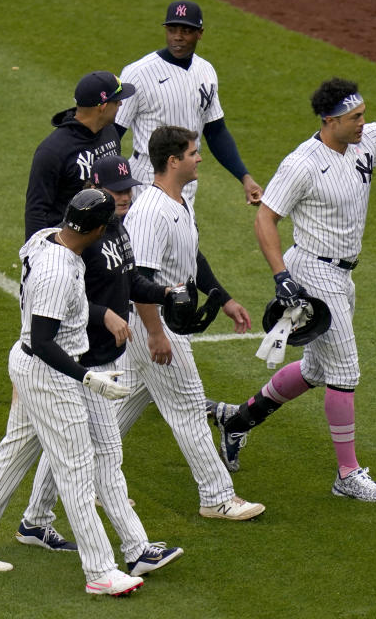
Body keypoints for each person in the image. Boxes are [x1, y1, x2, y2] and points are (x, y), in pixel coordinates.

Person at [210, 64, 376, 502]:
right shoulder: (302, 164)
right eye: (355, 117)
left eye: (363, 114)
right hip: (312, 272)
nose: (363, 122)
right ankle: (347, 475)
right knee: (345, 371)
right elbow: (266, 218)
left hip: (342, 274)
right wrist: (282, 278)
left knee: (316, 370)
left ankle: (238, 420)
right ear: (330, 121)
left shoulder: (364, 141)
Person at [0, 190, 146, 597]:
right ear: (95, 229)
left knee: (14, 454)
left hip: (31, 365)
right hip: (47, 372)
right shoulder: (57, 270)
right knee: (76, 469)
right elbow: (42, 339)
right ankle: (100, 571)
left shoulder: (45, 238)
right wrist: (87, 378)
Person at [16, 155, 184, 576]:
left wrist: (166, 292)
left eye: (129, 189)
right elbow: (61, 301)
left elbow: (128, 282)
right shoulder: (77, 243)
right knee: (97, 456)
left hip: (87, 361)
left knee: (42, 452)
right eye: (117, 190)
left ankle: (31, 522)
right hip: (75, 360)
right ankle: (132, 550)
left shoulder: (114, 230)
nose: (125, 197)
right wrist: (102, 314)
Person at [115, 125, 265, 521]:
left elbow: (192, 258)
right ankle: (217, 496)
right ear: (172, 161)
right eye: (193, 153)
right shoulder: (150, 211)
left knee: (123, 405)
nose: (200, 158)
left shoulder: (178, 202)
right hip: (156, 322)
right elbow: (137, 281)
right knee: (188, 406)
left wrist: (226, 298)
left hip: (159, 323)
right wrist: (155, 334)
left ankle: (87, 474)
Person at [115, 0, 263, 207]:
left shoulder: (206, 71)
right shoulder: (138, 73)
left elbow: (216, 131)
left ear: (199, 33)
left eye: (186, 31)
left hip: (187, 181)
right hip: (148, 179)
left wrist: (245, 177)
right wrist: (108, 180)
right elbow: (113, 132)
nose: (178, 37)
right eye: (172, 29)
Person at [24, 70, 135, 240]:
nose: (120, 104)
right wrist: (34, 257)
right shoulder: (52, 151)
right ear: (103, 106)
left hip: (103, 239)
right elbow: (36, 210)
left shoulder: (110, 132)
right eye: (116, 100)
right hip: (67, 247)